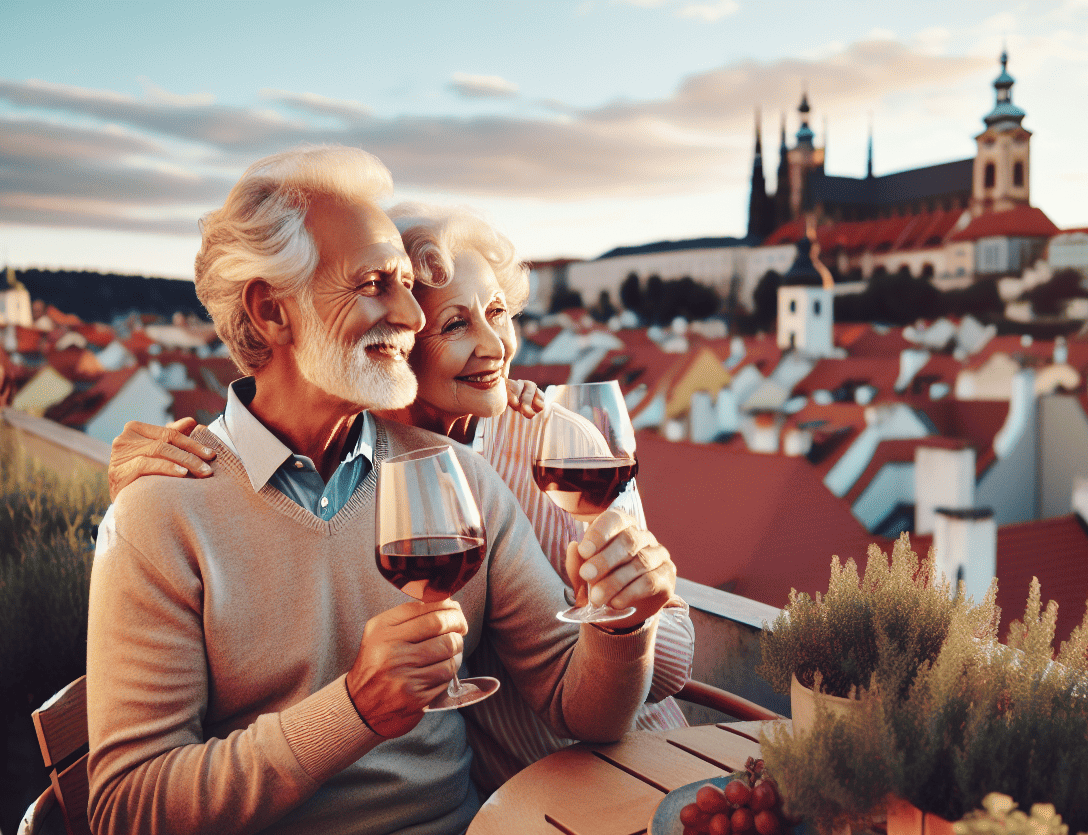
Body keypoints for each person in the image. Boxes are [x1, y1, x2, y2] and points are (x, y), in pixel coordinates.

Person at [86, 144, 679, 835]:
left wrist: (622, 626)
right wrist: (354, 709)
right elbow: (132, 817)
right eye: (374, 284)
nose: (409, 310)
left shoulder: (456, 478)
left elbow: (579, 703)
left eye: (408, 284)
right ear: (270, 309)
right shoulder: (161, 516)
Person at [110, 202, 693, 791]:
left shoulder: (544, 446)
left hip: (626, 758)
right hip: (515, 801)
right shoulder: (363, 461)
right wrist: (146, 497)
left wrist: (619, 614)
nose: (494, 347)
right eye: (455, 325)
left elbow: (660, 663)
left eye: (497, 313)